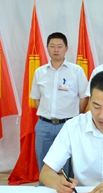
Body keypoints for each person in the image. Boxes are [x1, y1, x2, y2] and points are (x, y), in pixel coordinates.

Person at [30, 32, 88, 176]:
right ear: (47, 48)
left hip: (67, 125)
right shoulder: (39, 72)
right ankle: (44, 187)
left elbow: (85, 97)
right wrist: (47, 113)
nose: (56, 49)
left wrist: (75, 115)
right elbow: (36, 98)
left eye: (60, 46)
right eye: (52, 46)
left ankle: (67, 188)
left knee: (67, 166)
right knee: (43, 164)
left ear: (66, 49)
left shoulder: (76, 71)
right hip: (44, 125)